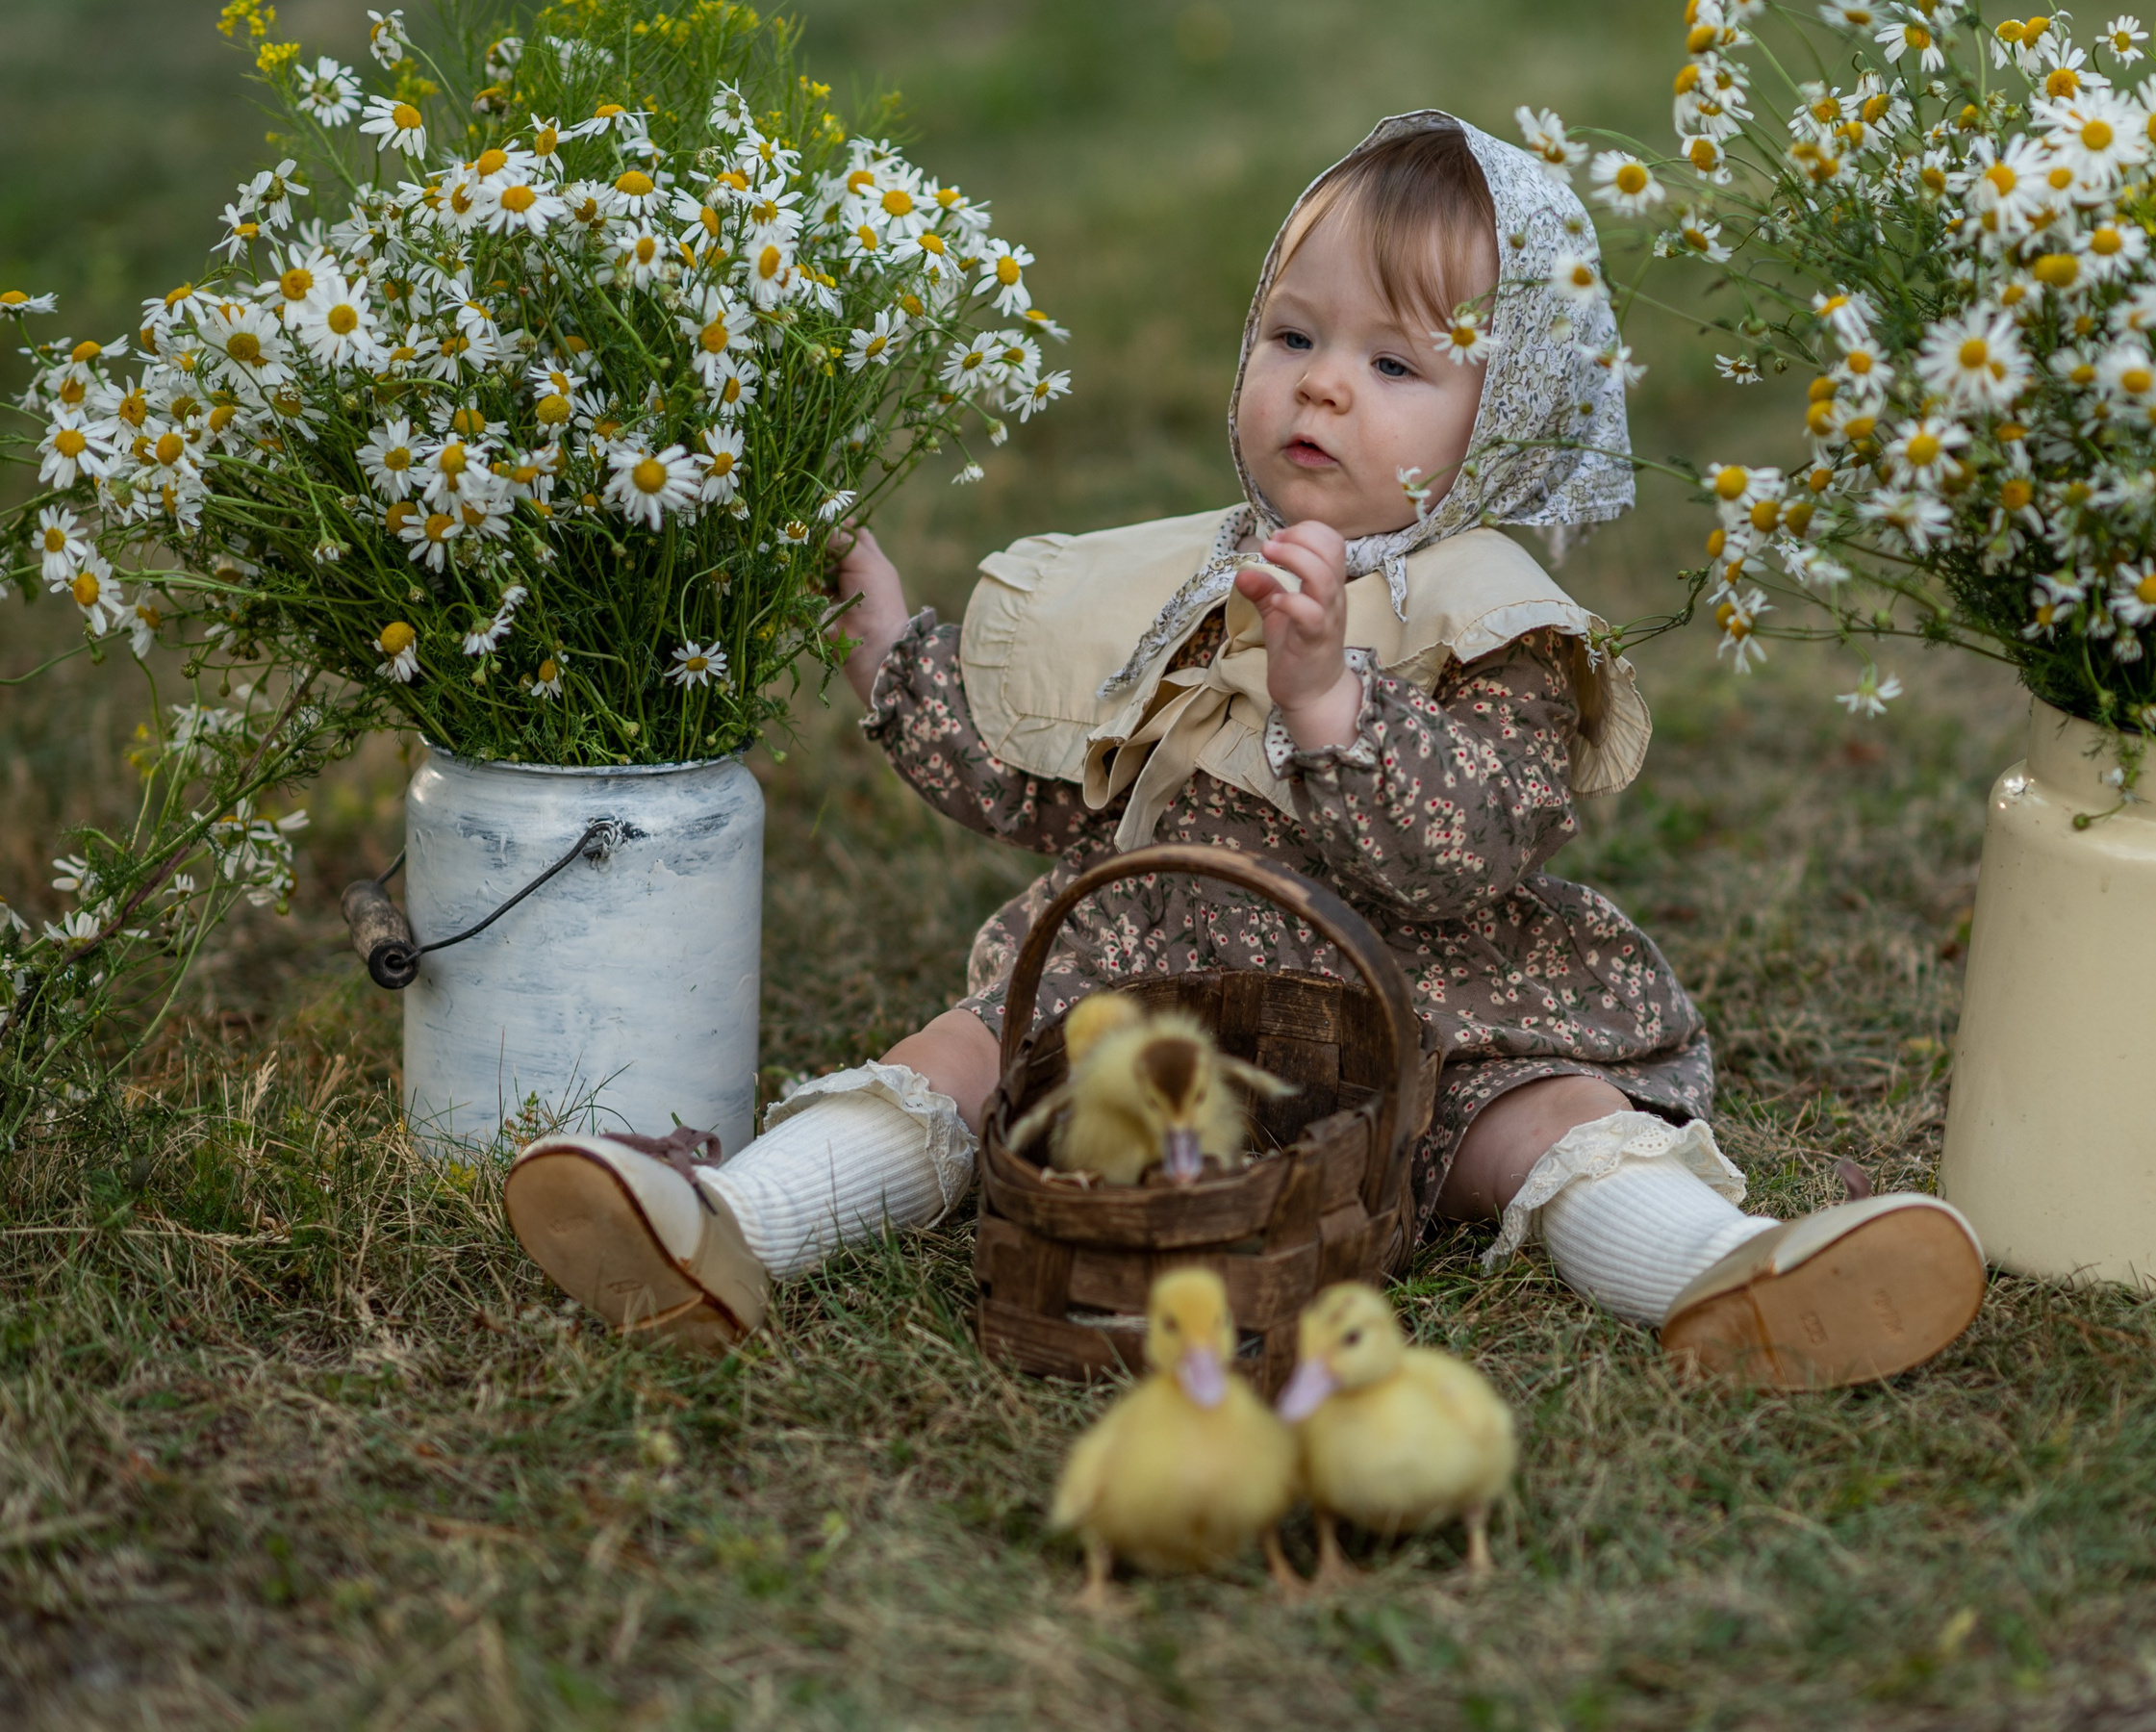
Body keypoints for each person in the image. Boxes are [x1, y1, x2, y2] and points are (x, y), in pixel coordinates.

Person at [501, 112, 1987, 1387]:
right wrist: (898, 654)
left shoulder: (1497, 620)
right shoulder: (1191, 576)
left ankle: (1716, 1275)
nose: (1323, 384)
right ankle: (739, 1227)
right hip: (1140, 982)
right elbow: (1042, 778)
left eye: (1397, 364)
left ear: (1511, 413)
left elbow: (1469, 853)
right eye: (1293, 337)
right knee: (972, 1048)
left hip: (1419, 1009)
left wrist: (1330, 700)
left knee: (1548, 1118)